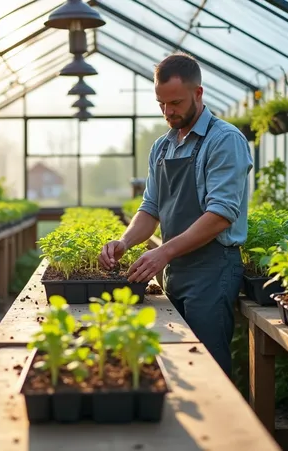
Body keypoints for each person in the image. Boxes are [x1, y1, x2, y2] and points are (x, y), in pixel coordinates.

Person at [98, 52, 253, 376]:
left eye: (176, 103)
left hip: (212, 269)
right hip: (175, 270)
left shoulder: (225, 141)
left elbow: (221, 214)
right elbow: (151, 208)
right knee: (177, 364)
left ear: (198, 93)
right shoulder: (162, 147)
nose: (168, 112)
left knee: (208, 365)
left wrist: (163, 252)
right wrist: (124, 242)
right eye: (161, 104)